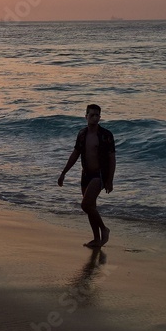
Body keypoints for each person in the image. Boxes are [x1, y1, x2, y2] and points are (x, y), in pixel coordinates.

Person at [58, 104, 115, 248]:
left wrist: (110, 180)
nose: (95, 118)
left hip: (100, 175)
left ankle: (104, 229)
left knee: (85, 205)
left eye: (97, 115)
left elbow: (112, 158)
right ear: (86, 117)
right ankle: (96, 239)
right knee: (91, 207)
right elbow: (75, 154)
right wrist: (64, 173)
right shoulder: (82, 134)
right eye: (92, 115)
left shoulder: (105, 135)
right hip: (86, 174)